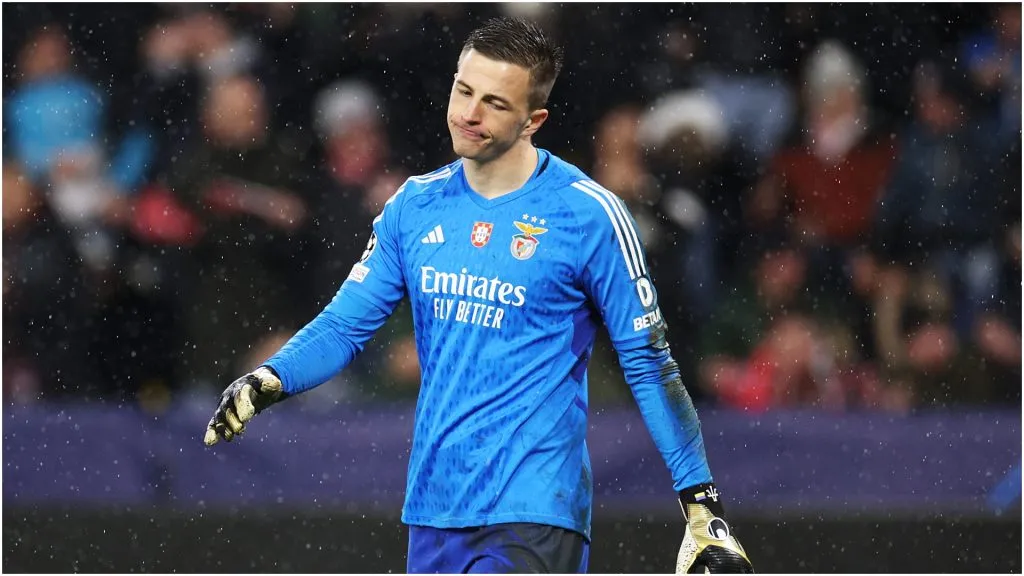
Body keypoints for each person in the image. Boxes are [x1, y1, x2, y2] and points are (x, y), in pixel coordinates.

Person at [203, 17, 752, 574]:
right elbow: (345, 327)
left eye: (493, 103)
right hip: (433, 508)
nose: (469, 114)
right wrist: (268, 379)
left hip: (535, 510)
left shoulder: (589, 215)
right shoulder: (413, 207)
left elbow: (649, 361)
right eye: (463, 91)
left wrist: (702, 506)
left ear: (533, 119)